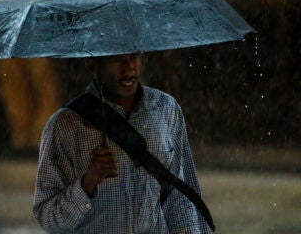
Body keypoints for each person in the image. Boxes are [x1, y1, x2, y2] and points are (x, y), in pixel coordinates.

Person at [33, 53, 211, 233]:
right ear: (92, 64)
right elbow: (48, 218)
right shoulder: (65, 125)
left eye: (134, 57)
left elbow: (180, 198)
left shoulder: (165, 109)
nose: (129, 68)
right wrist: (88, 182)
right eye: (117, 59)